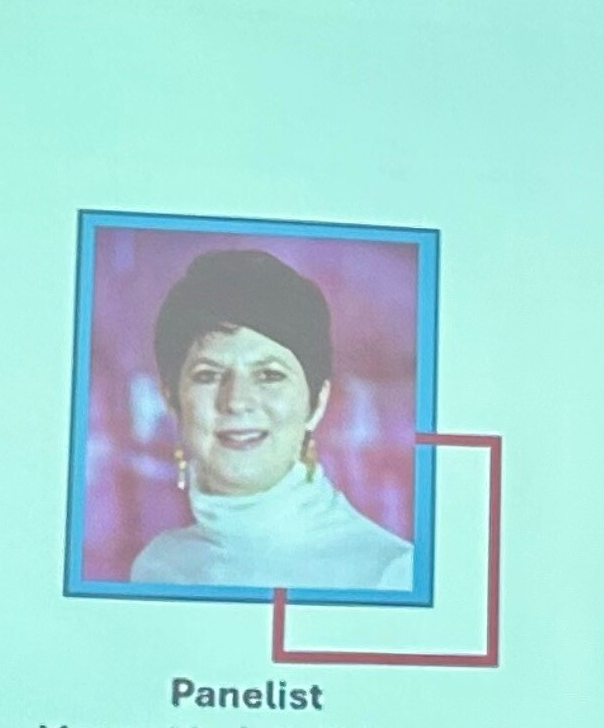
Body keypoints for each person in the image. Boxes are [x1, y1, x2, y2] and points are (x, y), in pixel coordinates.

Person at [126, 246, 414, 591]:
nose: (237, 402)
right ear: (171, 398)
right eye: (208, 375)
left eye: (269, 375)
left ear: (316, 402)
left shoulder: (388, 574)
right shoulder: (157, 567)